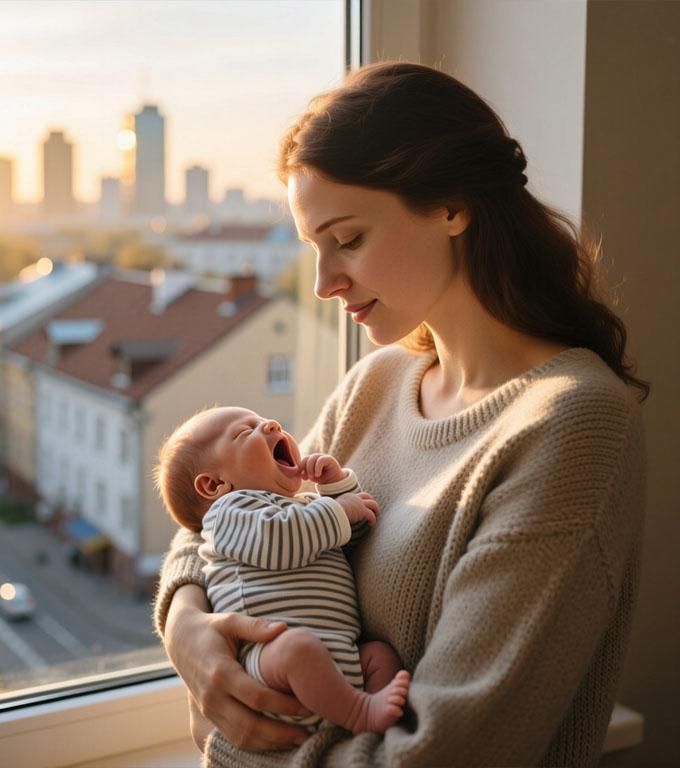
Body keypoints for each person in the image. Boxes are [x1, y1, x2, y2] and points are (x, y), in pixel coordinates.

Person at [152, 62, 648, 768]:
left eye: (347, 239)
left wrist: (237, 741)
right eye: (313, 248)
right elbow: (218, 505)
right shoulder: (377, 383)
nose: (324, 283)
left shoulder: (570, 426)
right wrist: (186, 625)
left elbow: (446, 752)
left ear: (451, 205)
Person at [153, 405, 410, 735]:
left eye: (264, 421)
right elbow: (280, 541)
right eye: (246, 432)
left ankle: (372, 717)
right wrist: (337, 509)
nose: (271, 424)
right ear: (214, 485)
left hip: (340, 657)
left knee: (378, 656)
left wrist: (336, 487)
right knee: (298, 648)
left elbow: (353, 534)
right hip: (272, 665)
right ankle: (360, 712)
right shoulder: (228, 514)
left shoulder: (301, 507)